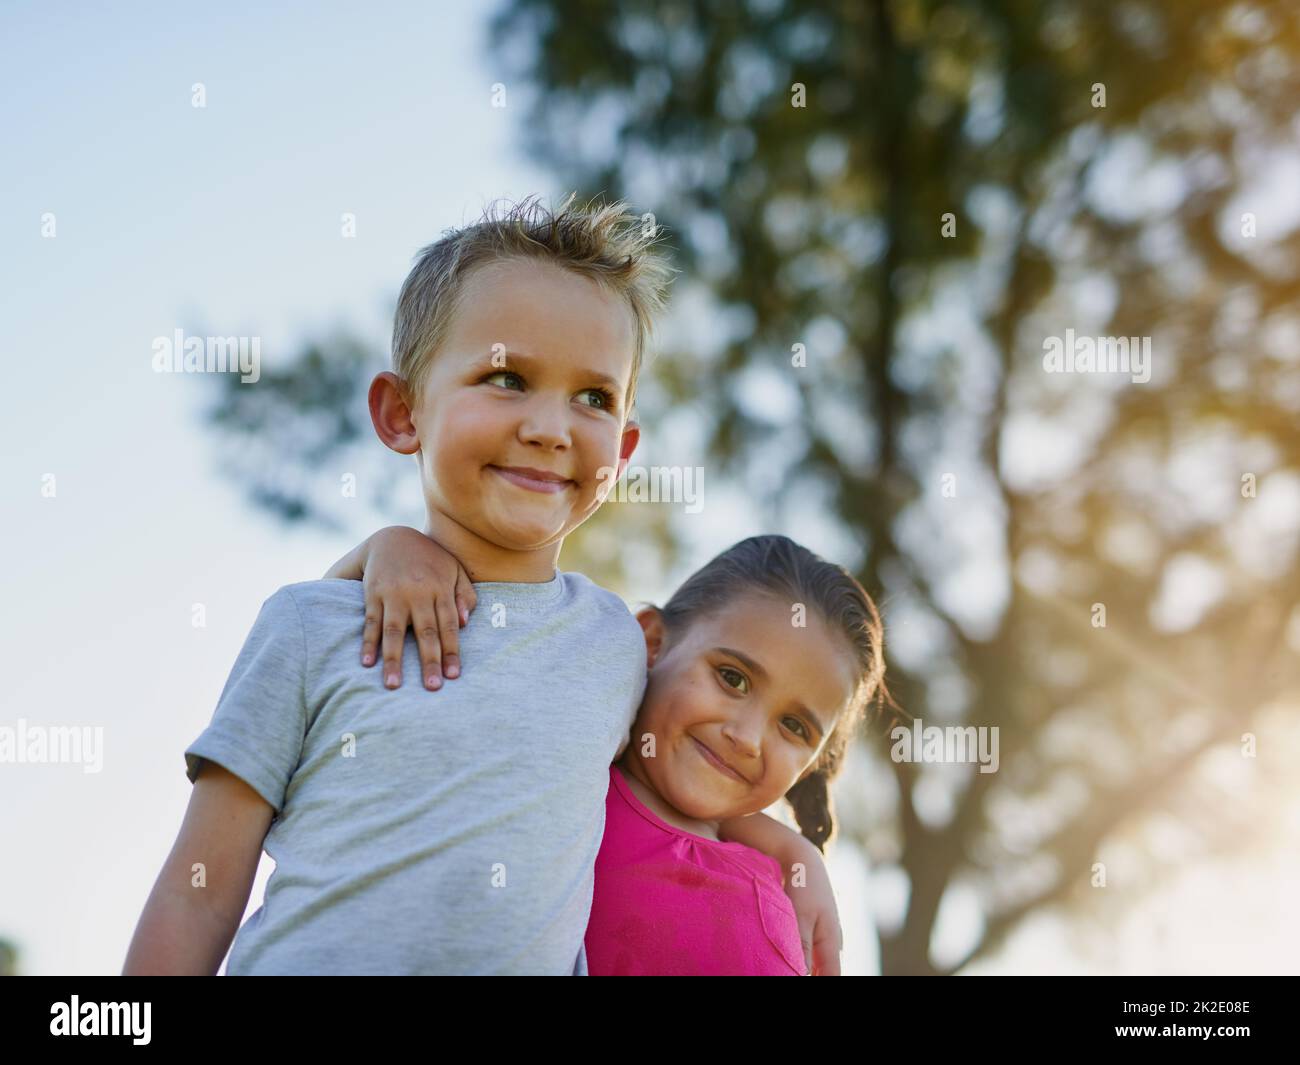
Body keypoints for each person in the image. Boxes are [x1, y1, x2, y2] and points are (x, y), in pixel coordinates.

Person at [123, 193, 833, 976]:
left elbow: (684, 777)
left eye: (592, 397)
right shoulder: (309, 625)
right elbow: (197, 891)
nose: (550, 427)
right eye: (507, 377)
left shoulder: (612, 649)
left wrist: (784, 845)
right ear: (402, 413)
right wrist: (384, 546)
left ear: (624, 447)